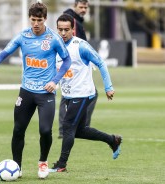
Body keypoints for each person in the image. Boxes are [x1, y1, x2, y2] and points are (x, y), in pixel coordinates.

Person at [0, 2, 71, 179]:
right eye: (33, 20)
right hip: (26, 92)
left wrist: (55, 81)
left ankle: (42, 163)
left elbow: (66, 61)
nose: (36, 23)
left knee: (45, 130)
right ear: (30, 19)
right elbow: (4, 53)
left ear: (45, 19)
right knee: (18, 130)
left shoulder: (53, 39)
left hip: (46, 93)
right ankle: (16, 167)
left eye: (39, 20)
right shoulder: (23, 36)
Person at [50, 14, 122, 172]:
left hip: (83, 93)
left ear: (73, 29)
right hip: (69, 95)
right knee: (78, 131)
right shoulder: (55, 46)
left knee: (68, 126)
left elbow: (101, 63)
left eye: (66, 30)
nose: (63, 33)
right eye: (60, 29)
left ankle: (61, 165)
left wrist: (108, 87)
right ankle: (113, 140)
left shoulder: (80, 46)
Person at [58, 0, 97, 138]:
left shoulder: (77, 20)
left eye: (85, 7)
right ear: (74, 7)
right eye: (81, 7)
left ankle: (71, 127)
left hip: (74, 62)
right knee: (72, 94)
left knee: (67, 94)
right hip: (73, 62)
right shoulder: (72, 20)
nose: (83, 9)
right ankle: (76, 128)